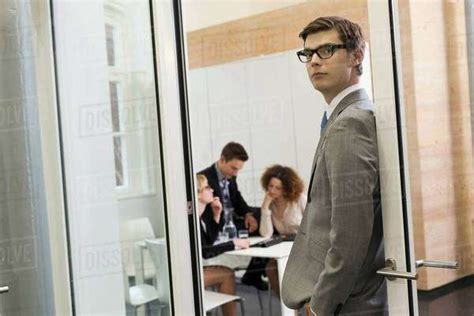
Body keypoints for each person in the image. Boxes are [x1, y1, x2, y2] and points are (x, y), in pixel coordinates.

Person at [281, 16, 387, 316]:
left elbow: (350, 233)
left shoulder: (350, 123)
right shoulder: (344, 116)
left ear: (357, 56)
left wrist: (320, 307)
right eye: (308, 54)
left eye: (327, 50)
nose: (314, 61)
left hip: (344, 303)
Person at [199, 142, 268, 290]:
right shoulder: (204, 178)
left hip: (231, 221)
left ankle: (252, 274)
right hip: (216, 224)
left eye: (239, 169)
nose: (236, 173)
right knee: (259, 226)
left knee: (263, 219)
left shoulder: (230, 175)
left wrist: (248, 214)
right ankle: (252, 274)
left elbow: (237, 198)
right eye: (234, 168)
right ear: (222, 159)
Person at [196, 174, 250, 316]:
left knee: (226, 271)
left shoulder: (200, 217)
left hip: (194, 271)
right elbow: (206, 252)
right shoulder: (191, 220)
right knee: (227, 273)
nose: (212, 190)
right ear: (197, 194)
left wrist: (216, 215)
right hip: (188, 276)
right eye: (207, 187)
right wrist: (233, 244)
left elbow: (210, 242)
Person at [259, 165, 306, 299]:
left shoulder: (299, 200)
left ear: (286, 189)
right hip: (285, 252)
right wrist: (265, 207)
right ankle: (289, 307)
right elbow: (266, 234)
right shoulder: (271, 205)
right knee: (271, 268)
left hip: (304, 250)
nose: (272, 190)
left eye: (277, 188)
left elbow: (312, 225)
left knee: (293, 273)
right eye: (270, 186)